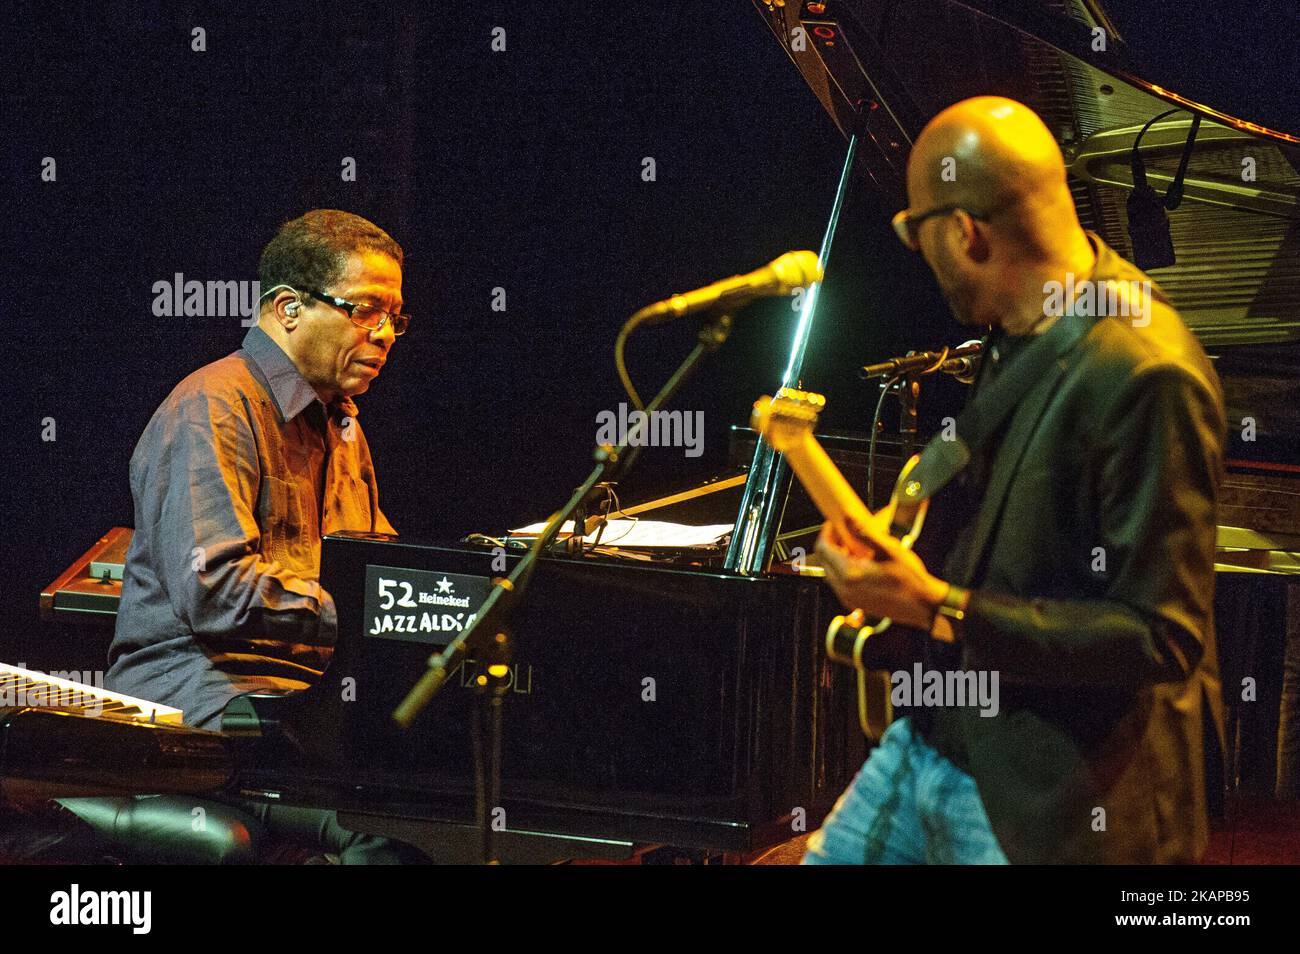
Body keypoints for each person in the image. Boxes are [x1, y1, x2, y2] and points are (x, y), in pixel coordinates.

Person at [802, 97, 1226, 864]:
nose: (915, 250)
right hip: (938, 739)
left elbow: (1158, 639)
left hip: (1048, 796)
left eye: (914, 230)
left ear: (967, 233)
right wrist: (902, 560)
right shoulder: (1016, 326)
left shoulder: (1147, 377)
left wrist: (939, 606)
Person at [60, 209, 422, 863]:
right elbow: (217, 593)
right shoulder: (212, 407)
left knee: (450, 804)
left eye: (396, 315)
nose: (387, 332)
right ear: (287, 308)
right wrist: (375, 612)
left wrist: (450, 596)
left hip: (298, 707)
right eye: (367, 310)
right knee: (392, 831)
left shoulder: (342, 427)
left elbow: (380, 568)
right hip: (201, 701)